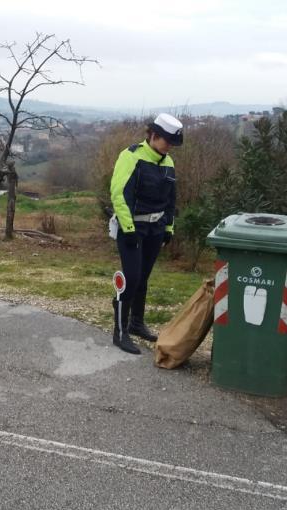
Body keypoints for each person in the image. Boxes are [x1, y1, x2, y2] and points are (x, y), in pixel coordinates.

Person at [110, 113, 183, 354]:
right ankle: (120, 333)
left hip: (155, 228)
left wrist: (169, 227)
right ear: (153, 135)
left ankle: (136, 324)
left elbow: (171, 199)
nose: (169, 146)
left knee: (143, 278)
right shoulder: (131, 156)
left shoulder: (168, 163)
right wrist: (128, 228)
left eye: (173, 143)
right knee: (130, 278)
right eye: (167, 141)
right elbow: (119, 194)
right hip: (133, 227)